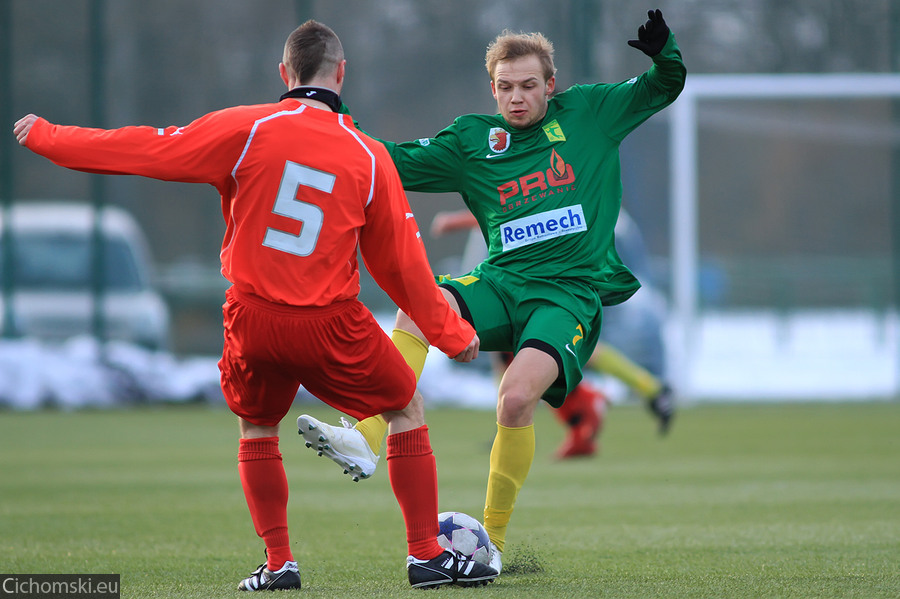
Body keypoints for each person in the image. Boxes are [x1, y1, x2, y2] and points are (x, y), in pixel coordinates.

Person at [13, 20, 498, 591]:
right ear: (342, 74)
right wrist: (450, 333)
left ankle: (278, 564)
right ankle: (423, 555)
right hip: (329, 324)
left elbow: (144, 149)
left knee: (257, 427)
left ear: (283, 74)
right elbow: (402, 269)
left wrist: (49, 135)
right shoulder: (369, 158)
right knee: (405, 408)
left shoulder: (247, 127)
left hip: (254, 319)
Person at [298, 9, 686, 575]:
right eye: (505, 87)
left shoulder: (591, 114)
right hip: (501, 284)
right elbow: (385, 160)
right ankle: (365, 435)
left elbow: (663, 86)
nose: (517, 97)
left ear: (550, 85)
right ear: (493, 89)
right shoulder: (474, 140)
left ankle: (492, 543)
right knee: (420, 302)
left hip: (567, 297)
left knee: (514, 398)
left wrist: (664, 52)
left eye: (529, 85)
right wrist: (327, 116)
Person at [430, 207, 675, 458]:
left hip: (561, 259)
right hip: (550, 256)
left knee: (558, 345)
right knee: (521, 351)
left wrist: (456, 220)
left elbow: (517, 204)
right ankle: (583, 412)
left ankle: (644, 390)